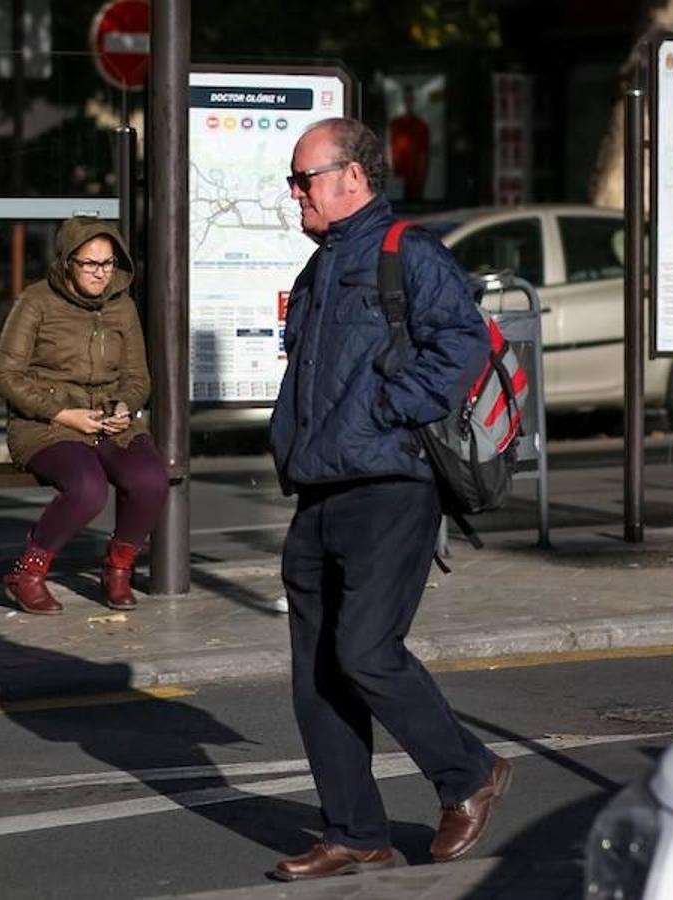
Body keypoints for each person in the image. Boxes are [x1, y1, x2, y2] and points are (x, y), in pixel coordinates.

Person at [268, 118, 511, 880]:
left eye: (302, 178)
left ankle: (467, 774)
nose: (294, 193)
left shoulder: (408, 252)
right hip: (320, 491)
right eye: (294, 180)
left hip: (390, 486)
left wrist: (388, 409)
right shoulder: (319, 269)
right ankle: (354, 831)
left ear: (352, 178)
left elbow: (464, 343)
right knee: (317, 676)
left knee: (366, 651)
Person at [0, 217, 168, 615]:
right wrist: (63, 413)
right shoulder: (36, 301)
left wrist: (124, 405)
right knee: (88, 487)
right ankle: (28, 574)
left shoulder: (123, 306)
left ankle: (118, 569)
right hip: (46, 424)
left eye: (106, 263)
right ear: (67, 262)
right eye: (89, 263)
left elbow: (138, 377)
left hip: (107, 422)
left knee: (151, 478)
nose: (99, 273)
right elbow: (4, 376)